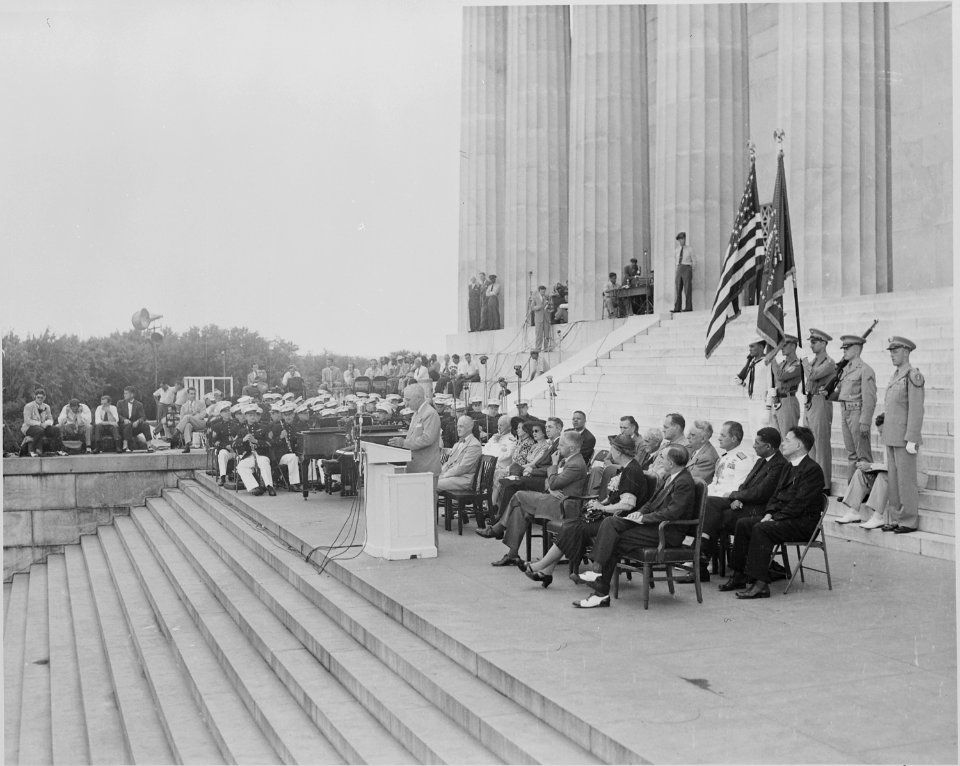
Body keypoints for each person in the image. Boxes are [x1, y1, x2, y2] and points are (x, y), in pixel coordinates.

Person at [572, 445, 695, 609]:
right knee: (610, 523)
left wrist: (644, 518)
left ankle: (600, 589)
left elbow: (672, 513)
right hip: (654, 525)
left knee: (613, 539)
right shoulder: (670, 476)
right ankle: (597, 578)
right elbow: (652, 503)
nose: (659, 460)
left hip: (667, 531)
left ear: (671, 463)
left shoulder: (684, 482)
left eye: (662, 458)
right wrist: (639, 514)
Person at [523, 434, 653, 586]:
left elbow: (628, 504)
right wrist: (599, 502)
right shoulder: (627, 468)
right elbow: (616, 496)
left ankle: (542, 568)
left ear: (619, 451)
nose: (610, 451)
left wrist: (602, 507)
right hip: (612, 518)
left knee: (573, 527)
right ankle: (546, 571)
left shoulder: (632, 471)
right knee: (572, 526)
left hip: (619, 522)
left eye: (612, 448)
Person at [721, 426, 825, 599]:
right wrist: (769, 514)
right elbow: (775, 496)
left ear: (799, 446)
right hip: (783, 519)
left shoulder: (812, 470)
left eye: (787, 440)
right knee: (744, 523)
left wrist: (774, 518)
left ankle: (761, 584)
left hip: (802, 523)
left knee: (762, 529)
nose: (783, 444)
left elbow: (800, 504)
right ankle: (739, 574)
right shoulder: (788, 466)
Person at [483, 431, 588, 567]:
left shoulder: (576, 464)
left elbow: (554, 481)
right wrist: (552, 487)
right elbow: (549, 483)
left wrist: (554, 466)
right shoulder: (567, 460)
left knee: (520, 495)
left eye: (561, 445)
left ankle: (499, 527)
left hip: (564, 506)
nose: (558, 448)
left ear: (572, 448)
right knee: (520, 510)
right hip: (553, 499)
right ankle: (512, 555)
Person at [700, 427, 787, 577]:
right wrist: (737, 497)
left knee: (718, 516)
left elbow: (761, 492)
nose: (753, 446)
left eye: (757, 443)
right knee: (710, 503)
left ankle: (703, 557)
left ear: (768, 446)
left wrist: (735, 496)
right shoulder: (761, 460)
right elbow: (746, 485)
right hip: (746, 502)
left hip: (760, 509)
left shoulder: (779, 464)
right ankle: (702, 554)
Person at [880, 336, 925, 534]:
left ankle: (908, 520)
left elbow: (916, 410)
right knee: (894, 479)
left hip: (904, 437)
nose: (892, 355)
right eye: (891, 351)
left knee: (905, 481)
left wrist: (912, 438)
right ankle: (897, 517)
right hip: (892, 435)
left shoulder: (912, 375)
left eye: (895, 351)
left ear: (906, 352)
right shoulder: (896, 374)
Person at [828, 333, 877, 479]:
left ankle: (867, 491)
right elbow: (842, 393)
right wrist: (827, 394)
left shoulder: (865, 369)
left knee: (863, 455)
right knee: (851, 454)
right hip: (845, 412)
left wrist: (865, 421)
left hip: (857, 413)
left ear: (856, 349)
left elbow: (870, 398)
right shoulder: (845, 370)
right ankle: (853, 491)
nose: (844, 351)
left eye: (847, 348)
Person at [802, 328, 837, 492]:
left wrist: (804, 362)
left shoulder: (828, 363)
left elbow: (813, 375)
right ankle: (812, 479)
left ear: (824, 343)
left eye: (815, 342)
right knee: (809, 444)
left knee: (821, 444)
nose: (811, 345)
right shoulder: (815, 361)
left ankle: (824, 483)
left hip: (821, 402)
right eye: (811, 341)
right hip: (810, 401)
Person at [388, 384, 442, 482]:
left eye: (408, 400)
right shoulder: (417, 413)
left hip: (426, 469)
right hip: (416, 468)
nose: (406, 404)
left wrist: (403, 443)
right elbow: (413, 436)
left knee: (428, 497)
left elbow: (427, 439)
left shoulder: (430, 414)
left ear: (419, 398)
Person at [232, 404, 276, 496]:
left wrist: (256, 441)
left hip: (262, 454)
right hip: (249, 455)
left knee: (263, 463)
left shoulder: (264, 428)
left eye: (254, 415)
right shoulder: (242, 430)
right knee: (241, 467)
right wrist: (243, 440)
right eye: (250, 415)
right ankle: (255, 487)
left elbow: (270, 443)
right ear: (246, 417)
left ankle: (269, 486)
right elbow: (234, 445)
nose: (252, 417)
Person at [437, 415, 483, 495]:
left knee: (432, 485)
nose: (458, 429)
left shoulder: (474, 445)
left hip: (464, 479)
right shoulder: (457, 444)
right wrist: (440, 473)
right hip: (454, 476)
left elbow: (463, 467)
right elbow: (448, 463)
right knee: (429, 481)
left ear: (469, 427)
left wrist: (445, 475)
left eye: (461, 426)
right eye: (458, 426)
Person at [766, 335, 802, 436]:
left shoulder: (797, 364)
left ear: (793, 346)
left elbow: (781, 376)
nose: (782, 348)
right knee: (777, 439)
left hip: (788, 401)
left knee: (788, 436)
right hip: (777, 401)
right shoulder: (782, 364)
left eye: (785, 345)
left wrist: (772, 360)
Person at [483, 414, 517, 506]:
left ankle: (491, 505)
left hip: (502, 467)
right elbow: (484, 451)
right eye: (498, 425)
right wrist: (495, 442)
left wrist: (495, 447)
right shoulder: (495, 437)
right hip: (489, 466)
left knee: (494, 474)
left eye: (501, 425)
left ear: (509, 427)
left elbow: (503, 456)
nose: (499, 427)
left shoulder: (512, 439)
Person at [21, 388, 64, 456]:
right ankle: (32, 451)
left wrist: (46, 424)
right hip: (29, 427)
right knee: (39, 430)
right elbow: (27, 420)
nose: (40, 399)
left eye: (42, 397)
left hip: (42, 427)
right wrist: (40, 424)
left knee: (56, 429)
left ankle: (59, 450)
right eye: (38, 397)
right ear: (35, 396)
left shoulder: (47, 407)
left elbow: (50, 419)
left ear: (44, 397)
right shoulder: (28, 406)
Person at [208, 402, 240, 486]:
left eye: (228, 411)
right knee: (222, 454)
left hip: (237, 450)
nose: (228, 413)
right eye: (225, 411)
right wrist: (226, 446)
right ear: (221, 413)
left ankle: (239, 476)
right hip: (226, 450)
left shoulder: (236, 424)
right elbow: (215, 441)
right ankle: (222, 477)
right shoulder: (217, 426)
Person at [648, 413, 688, 478]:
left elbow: (664, 474)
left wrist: (651, 471)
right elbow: (652, 465)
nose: (663, 430)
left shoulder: (683, 449)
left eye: (666, 427)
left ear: (676, 428)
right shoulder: (666, 445)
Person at [117, 386, 153, 452]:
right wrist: (124, 419)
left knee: (145, 424)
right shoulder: (120, 403)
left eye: (126, 393)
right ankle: (125, 446)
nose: (124, 395)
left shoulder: (139, 404)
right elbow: (118, 415)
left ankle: (149, 445)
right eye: (124, 393)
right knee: (128, 424)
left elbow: (143, 417)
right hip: (124, 426)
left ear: (132, 394)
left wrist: (138, 421)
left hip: (134, 426)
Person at [685, 420, 719, 484]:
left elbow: (688, 481)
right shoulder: (694, 448)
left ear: (703, 439)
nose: (688, 437)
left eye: (692, 435)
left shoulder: (707, 458)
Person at [177, 387, 207, 453]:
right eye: (191, 394)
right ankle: (187, 445)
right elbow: (182, 419)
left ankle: (177, 431)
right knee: (187, 425)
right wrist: (191, 417)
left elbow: (203, 415)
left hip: (200, 423)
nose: (193, 395)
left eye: (194, 394)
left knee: (188, 417)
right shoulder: (184, 406)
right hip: (190, 425)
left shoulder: (201, 403)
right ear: (187, 395)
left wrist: (192, 417)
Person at [672, 231, 694, 313]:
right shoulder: (677, 250)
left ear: (685, 239)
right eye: (680, 240)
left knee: (687, 289)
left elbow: (694, 261)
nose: (682, 241)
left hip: (687, 268)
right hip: (679, 268)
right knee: (678, 288)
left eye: (683, 239)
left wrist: (690, 270)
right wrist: (677, 269)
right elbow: (676, 261)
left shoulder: (689, 249)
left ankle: (688, 307)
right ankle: (677, 308)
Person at [530, 285, 551, 351]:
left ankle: (546, 347)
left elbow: (550, 307)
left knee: (547, 333)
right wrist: (540, 306)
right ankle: (538, 348)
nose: (543, 293)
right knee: (539, 334)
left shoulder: (546, 298)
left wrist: (549, 305)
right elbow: (532, 307)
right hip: (539, 318)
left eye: (544, 291)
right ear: (539, 291)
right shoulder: (535, 298)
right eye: (542, 292)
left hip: (546, 318)